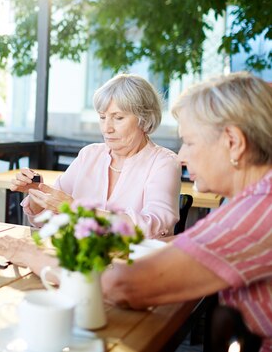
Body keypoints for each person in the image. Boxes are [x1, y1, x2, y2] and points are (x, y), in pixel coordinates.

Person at [101, 73, 272, 347]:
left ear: (234, 142)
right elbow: (194, 242)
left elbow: (123, 286)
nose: (181, 156)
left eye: (190, 142)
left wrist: (47, 263)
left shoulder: (258, 211)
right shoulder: (254, 199)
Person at [0, 73, 181, 272]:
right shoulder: (90, 155)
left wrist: (77, 210)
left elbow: (155, 229)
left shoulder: (164, 162)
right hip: (75, 268)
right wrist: (38, 193)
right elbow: (50, 221)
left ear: (144, 119)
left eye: (118, 118)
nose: (107, 128)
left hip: (134, 273)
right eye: (103, 117)